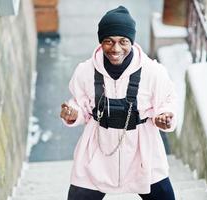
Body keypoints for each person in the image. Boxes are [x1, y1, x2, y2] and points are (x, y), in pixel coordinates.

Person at [60, 6, 177, 200]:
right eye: (108, 41)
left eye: (123, 42)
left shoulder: (153, 72)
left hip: (143, 153)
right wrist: (74, 114)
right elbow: (81, 107)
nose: (116, 49)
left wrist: (164, 117)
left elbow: (168, 102)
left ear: (131, 41)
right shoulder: (85, 71)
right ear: (101, 42)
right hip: (98, 152)